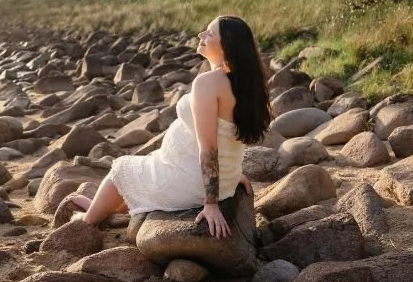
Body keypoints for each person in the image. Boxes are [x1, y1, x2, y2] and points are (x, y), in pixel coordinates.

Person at [69, 14, 272, 239]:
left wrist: (211, 204)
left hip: (191, 180)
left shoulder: (208, 83)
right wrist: (232, 175)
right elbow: (232, 135)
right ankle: (107, 210)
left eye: (210, 33)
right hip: (219, 175)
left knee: (121, 170)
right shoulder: (247, 83)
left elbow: (210, 148)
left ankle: (87, 221)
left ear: (226, 47)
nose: (201, 35)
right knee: (145, 169)